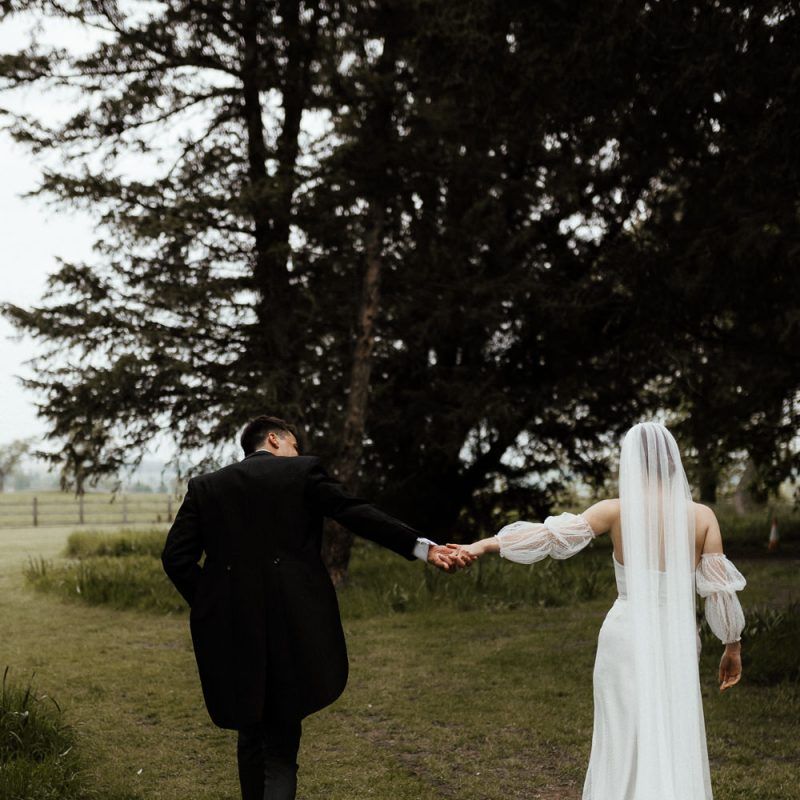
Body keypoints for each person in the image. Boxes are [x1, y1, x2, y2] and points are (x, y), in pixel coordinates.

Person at [162, 415, 474, 800]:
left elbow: (175, 558)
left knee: (250, 733)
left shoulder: (206, 487)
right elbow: (355, 512)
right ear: (274, 439)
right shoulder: (301, 472)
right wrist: (422, 548)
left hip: (236, 630)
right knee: (279, 748)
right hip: (292, 624)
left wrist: (218, 604)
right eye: (294, 445)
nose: (298, 453)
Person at [464, 421, 746, 800]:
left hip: (626, 635)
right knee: (671, 728)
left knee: (621, 730)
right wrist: (732, 645)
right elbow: (718, 592)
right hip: (676, 636)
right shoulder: (702, 517)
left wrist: (484, 545)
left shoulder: (615, 511)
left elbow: (549, 537)